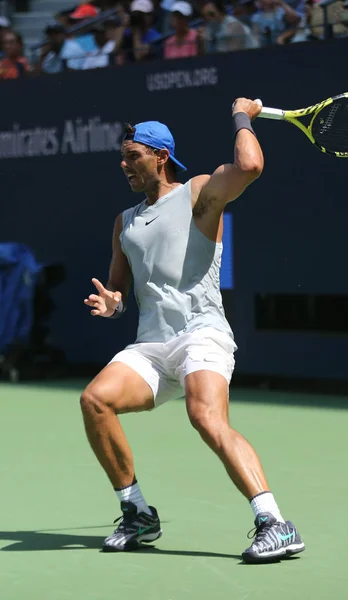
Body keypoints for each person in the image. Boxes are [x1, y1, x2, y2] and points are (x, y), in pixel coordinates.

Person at [81, 98, 305, 563]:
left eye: (133, 156)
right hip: (151, 344)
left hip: (202, 333)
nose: (124, 165)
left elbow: (251, 164)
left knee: (205, 416)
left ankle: (275, 523)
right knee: (95, 400)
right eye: (122, 157)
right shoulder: (126, 221)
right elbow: (120, 288)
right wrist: (112, 303)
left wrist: (242, 114)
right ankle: (137, 512)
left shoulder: (199, 193)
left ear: (160, 156)